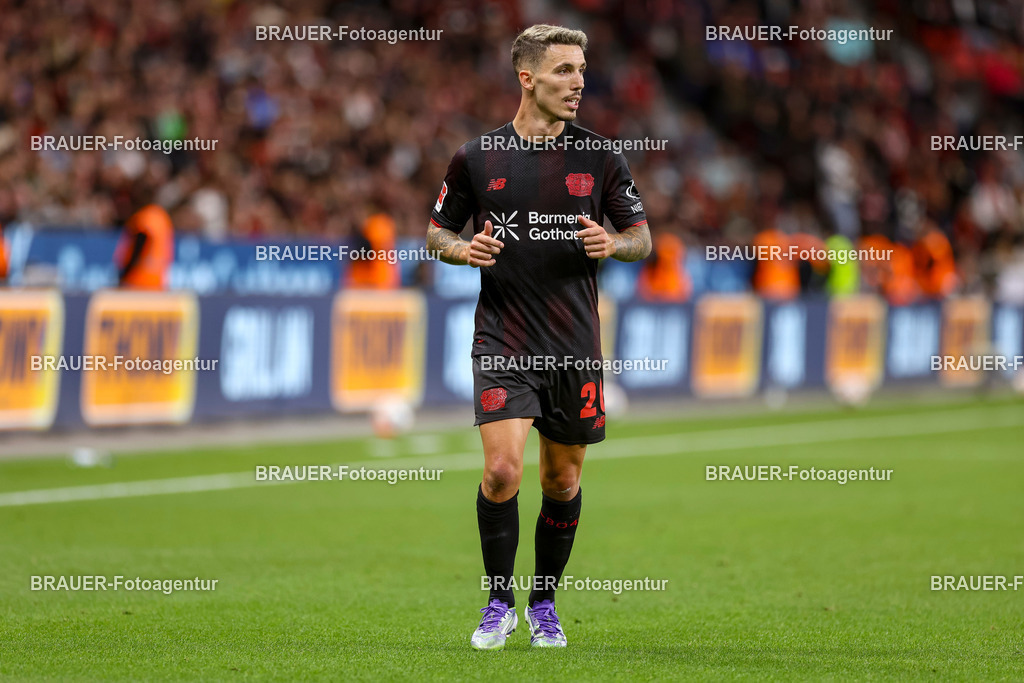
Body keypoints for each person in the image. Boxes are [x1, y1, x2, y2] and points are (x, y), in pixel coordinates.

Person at [425, 24, 651, 650]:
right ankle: (498, 602)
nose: (578, 82)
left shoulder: (601, 157)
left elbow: (642, 236)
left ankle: (543, 603)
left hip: (575, 345)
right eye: (564, 71)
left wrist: (617, 243)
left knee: (562, 482)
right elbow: (435, 233)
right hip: (503, 339)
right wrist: (462, 249)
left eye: (581, 70)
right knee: (501, 472)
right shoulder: (476, 158)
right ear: (527, 78)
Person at [115, 205, 174, 290]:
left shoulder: (145, 217)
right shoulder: (162, 216)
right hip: (157, 282)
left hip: (137, 280)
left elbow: (139, 247)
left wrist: (124, 274)